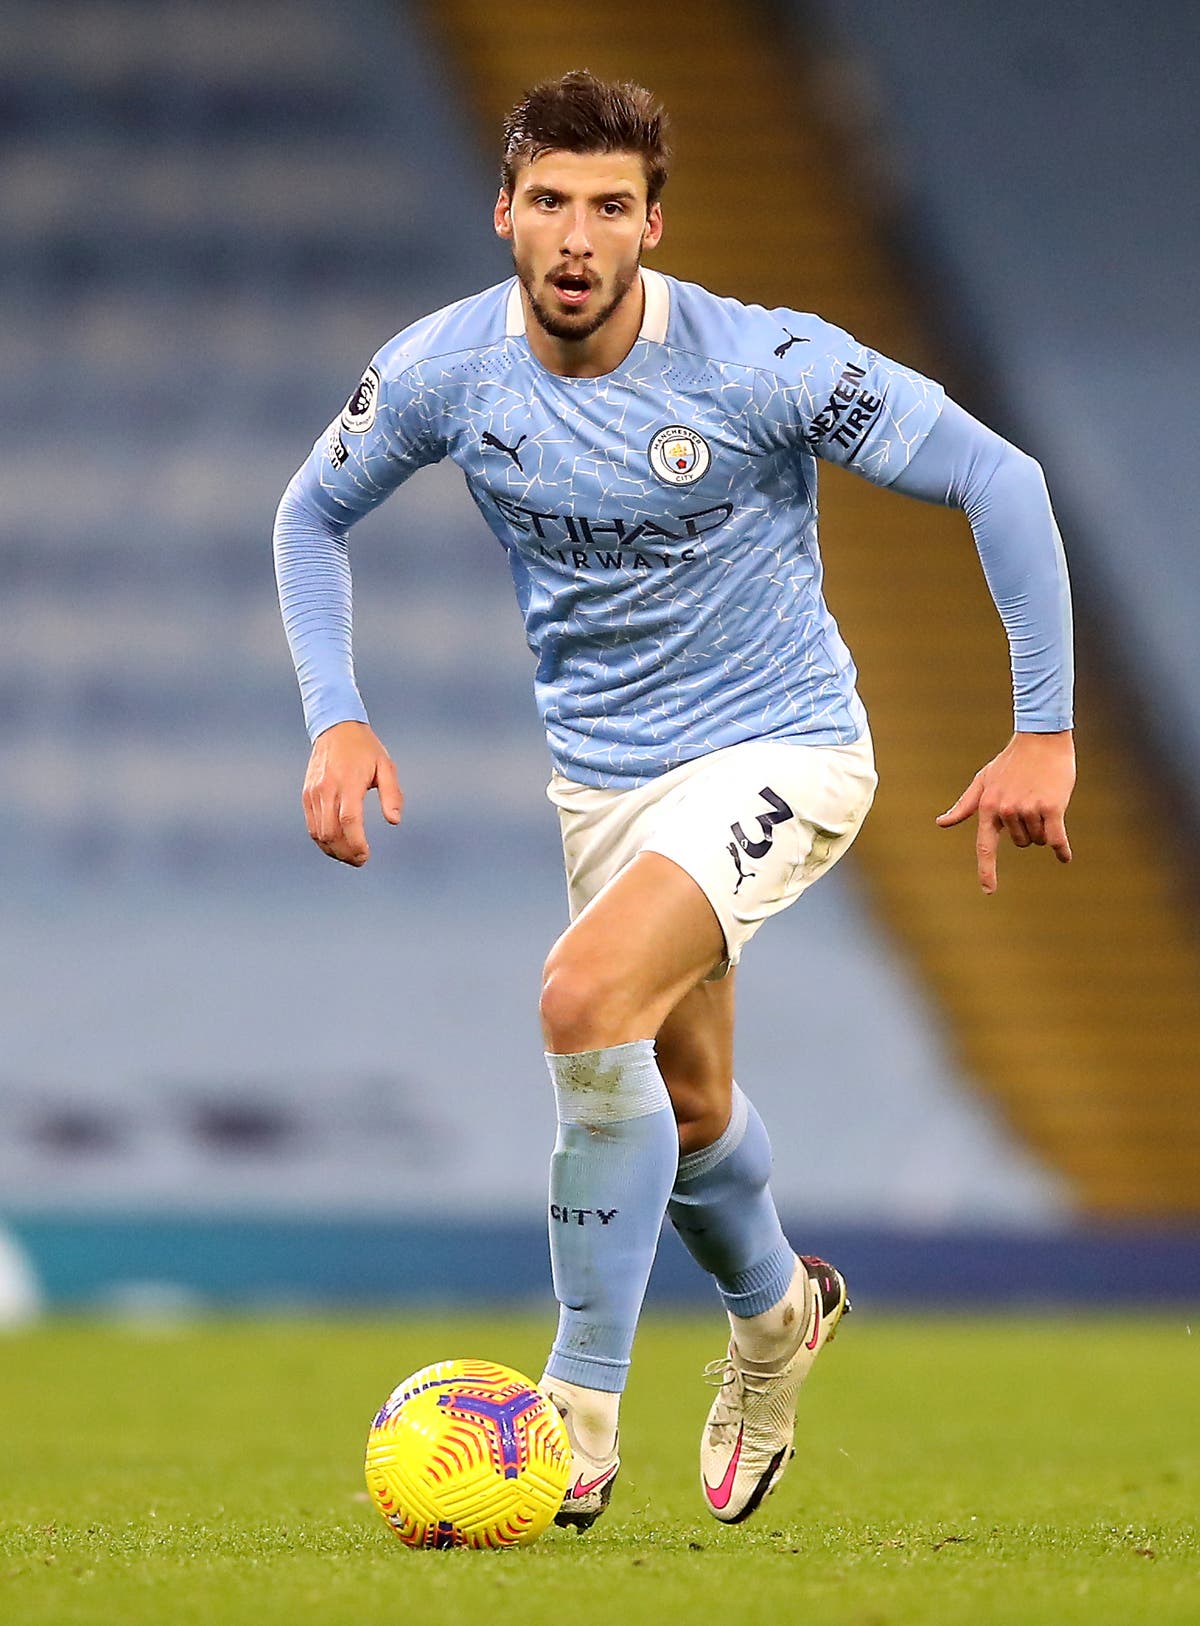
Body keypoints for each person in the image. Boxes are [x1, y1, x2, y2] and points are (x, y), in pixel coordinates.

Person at [274, 70, 1075, 1530]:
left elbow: (1000, 478)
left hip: (784, 748)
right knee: (687, 1107)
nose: (577, 238)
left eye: (611, 208)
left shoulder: (762, 362)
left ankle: (574, 1415)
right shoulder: (449, 369)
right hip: (607, 781)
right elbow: (311, 510)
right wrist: (336, 717)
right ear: (504, 211)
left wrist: (1045, 730)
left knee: (582, 1000)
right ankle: (777, 1316)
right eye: (552, 203)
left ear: (655, 225)